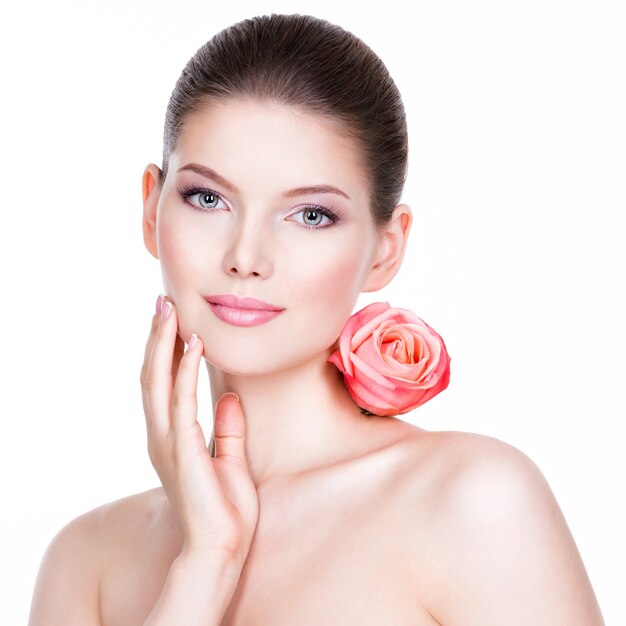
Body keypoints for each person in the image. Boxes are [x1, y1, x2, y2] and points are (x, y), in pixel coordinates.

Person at [27, 13, 605, 626]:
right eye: (208, 198)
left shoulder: (472, 504)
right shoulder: (85, 561)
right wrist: (204, 564)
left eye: (310, 215)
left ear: (387, 248)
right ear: (151, 208)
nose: (246, 258)